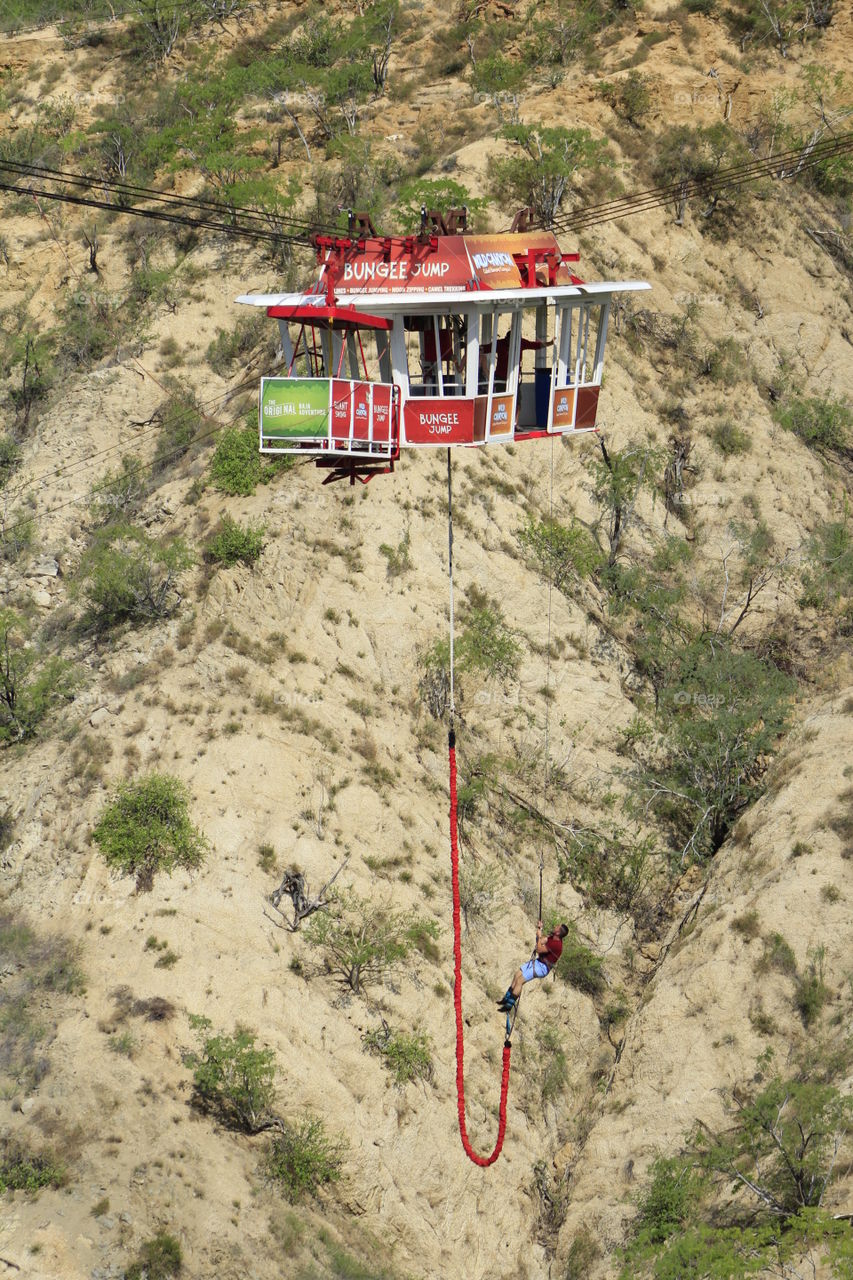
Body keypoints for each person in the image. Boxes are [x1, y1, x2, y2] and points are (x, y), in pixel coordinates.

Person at [497, 921, 569, 1013]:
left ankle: (508, 1006)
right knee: (517, 974)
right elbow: (541, 941)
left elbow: (539, 949)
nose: (555, 926)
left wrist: (539, 936)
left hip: (543, 968)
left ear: (558, 932)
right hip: (539, 962)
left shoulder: (557, 944)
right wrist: (540, 930)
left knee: (520, 981)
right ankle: (506, 999)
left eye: (557, 927)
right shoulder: (552, 938)